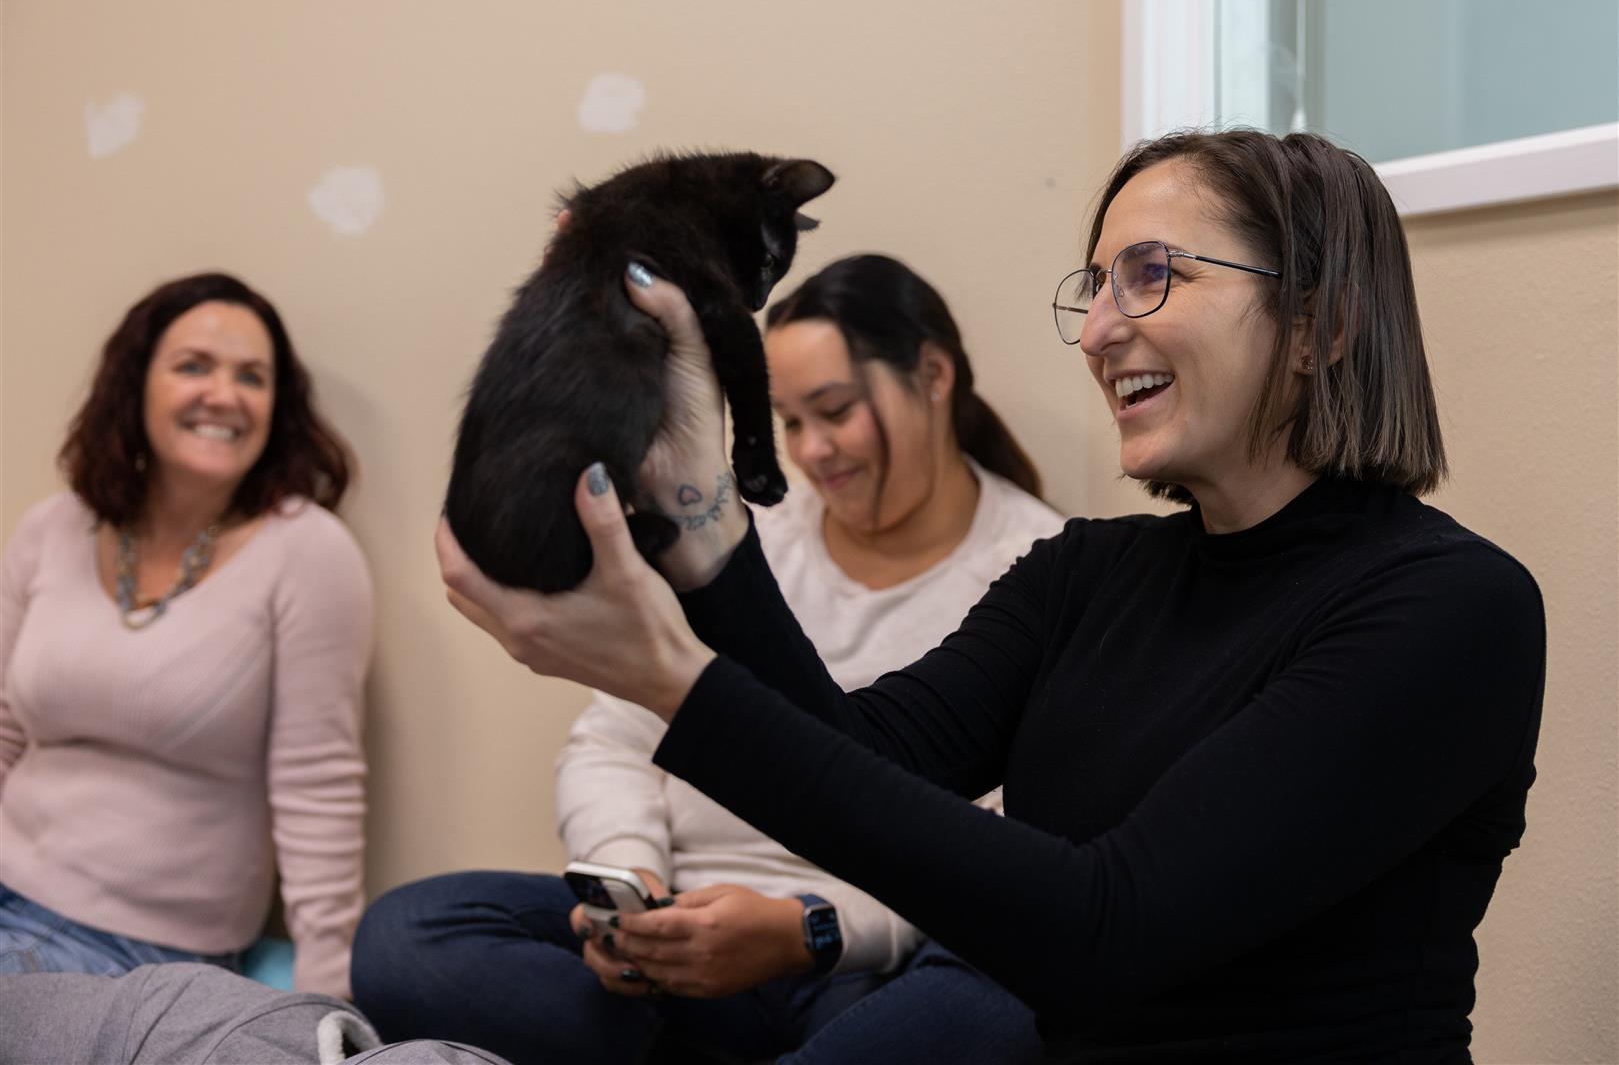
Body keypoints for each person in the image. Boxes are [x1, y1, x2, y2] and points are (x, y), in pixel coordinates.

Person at [434, 129, 1548, 1062]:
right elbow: (854, 760)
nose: (1101, 330)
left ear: (1320, 325)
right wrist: (699, 517)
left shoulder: (1450, 611)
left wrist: (670, 676)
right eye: (1096, 287)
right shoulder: (1087, 573)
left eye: (1152, 274)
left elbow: (1105, 929)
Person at [353, 255, 1064, 1064]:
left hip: (854, 968)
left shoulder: (1034, 572)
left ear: (933, 375)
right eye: (789, 422)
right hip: (676, 941)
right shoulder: (737, 535)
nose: (812, 452)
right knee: (406, 936)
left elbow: (1002, 869)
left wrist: (809, 929)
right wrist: (627, 886)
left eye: (833, 411)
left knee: (999, 996)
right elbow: (614, 735)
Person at [0, 272, 373, 1000]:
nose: (223, 395)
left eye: (252, 377)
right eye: (194, 366)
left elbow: (317, 787)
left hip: (138, 949)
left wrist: (326, 998)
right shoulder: (54, 526)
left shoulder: (308, 553)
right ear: (134, 385)